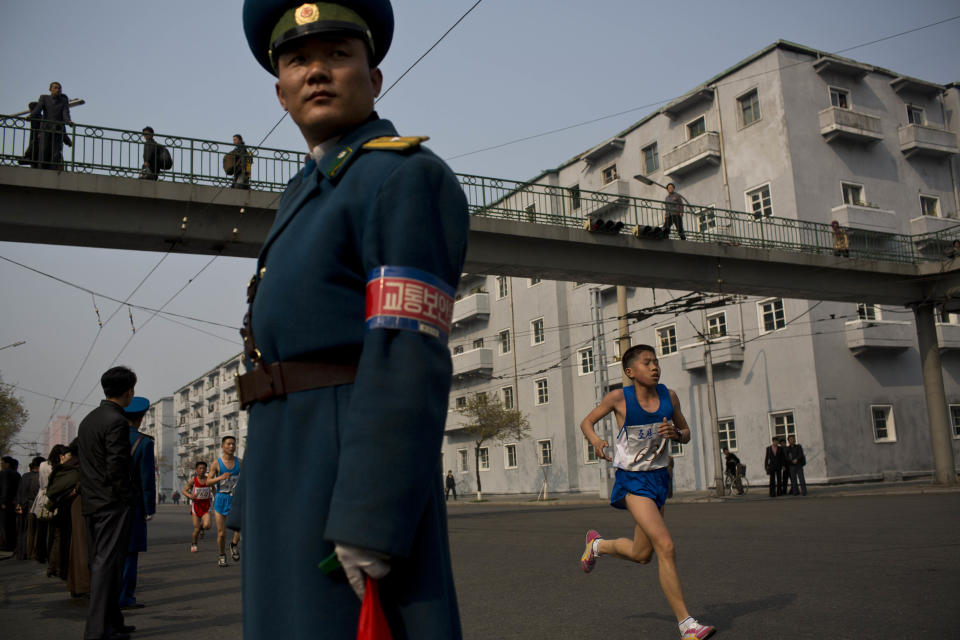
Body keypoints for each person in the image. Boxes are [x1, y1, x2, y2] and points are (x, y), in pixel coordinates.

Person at [237, 1, 469, 636]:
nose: (316, 71)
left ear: (374, 77)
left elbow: (405, 353)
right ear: (280, 91)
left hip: (343, 474)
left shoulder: (401, 178)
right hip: (288, 462)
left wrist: (372, 514)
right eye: (298, 60)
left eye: (338, 55)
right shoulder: (306, 190)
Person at [579, 344, 715, 639]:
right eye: (647, 362)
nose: (655, 367)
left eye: (656, 362)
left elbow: (687, 433)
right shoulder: (619, 398)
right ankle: (687, 625)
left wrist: (676, 434)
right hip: (632, 481)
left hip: (659, 479)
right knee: (665, 545)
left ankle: (597, 546)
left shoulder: (670, 397)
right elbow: (587, 422)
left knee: (643, 554)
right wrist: (596, 442)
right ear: (631, 372)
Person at [77, 366, 138, 640]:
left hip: (92, 501)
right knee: (106, 566)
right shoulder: (116, 421)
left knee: (106, 564)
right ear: (129, 391)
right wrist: (126, 497)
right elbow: (117, 466)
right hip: (112, 503)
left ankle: (113, 621)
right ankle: (97, 631)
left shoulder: (88, 420)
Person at [119, 396, 156, 609]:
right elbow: (146, 479)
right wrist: (149, 507)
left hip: (108, 502)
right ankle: (125, 596)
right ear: (141, 418)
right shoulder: (144, 442)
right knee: (130, 552)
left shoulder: (110, 438)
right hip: (132, 504)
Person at [208, 435, 241, 568]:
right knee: (221, 533)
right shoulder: (216, 463)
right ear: (222, 446)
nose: (231, 446)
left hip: (235, 498)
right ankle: (222, 555)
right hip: (221, 499)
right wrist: (220, 477)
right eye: (228, 444)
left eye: (233, 444)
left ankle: (233, 544)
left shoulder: (240, 462)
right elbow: (208, 481)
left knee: (240, 527)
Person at [29, 82, 73, 170]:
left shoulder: (63, 101)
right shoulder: (44, 98)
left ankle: (53, 170)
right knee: (43, 150)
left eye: (59, 88)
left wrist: (69, 121)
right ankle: (41, 169)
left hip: (57, 130)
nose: (58, 90)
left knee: (56, 152)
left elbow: (65, 113)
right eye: (56, 88)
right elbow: (38, 109)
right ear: (50, 89)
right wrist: (31, 116)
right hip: (45, 129)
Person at [14, 456, 42, 560]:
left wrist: (18, 505)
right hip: (35, 506)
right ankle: (32, 552)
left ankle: (22, 552)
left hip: (23, 505)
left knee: (23, 530)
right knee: (34, 530)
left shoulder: (25, 476)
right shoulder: (40, 476)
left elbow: (19, 492)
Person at [182, 461, 212, 553]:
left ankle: (202, 528)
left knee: (207, 525)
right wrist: (190, 496)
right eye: (200, 468)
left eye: (204, 468)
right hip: (196, 507)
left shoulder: (208, 480)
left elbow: (214, 489)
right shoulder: (193, 481)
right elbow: (184, 490)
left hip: (206, 506)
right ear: (196, 470)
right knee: (196, 529)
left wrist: (216, 495)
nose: (202, 470)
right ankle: (194, 543)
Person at [0, 456, 20, 552]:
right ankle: (12, 543)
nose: (1, 465)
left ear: (7, 464)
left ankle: (6, 544)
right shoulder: (17, 474)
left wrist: (3, 501)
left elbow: (5, 488)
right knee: (12, 524)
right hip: (14, 503)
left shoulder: (4, 474)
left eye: (2, 463)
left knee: (4, 525)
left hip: (5, 504)